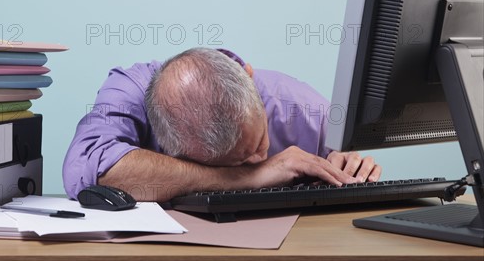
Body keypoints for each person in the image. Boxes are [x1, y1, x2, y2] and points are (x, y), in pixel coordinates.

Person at [63, 48, 381, 202]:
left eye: (259, 144)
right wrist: (252, 177)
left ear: (250, 78)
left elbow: (352, 180)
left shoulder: (306, 110)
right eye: (238, 161)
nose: (258, 159)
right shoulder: (129, 92)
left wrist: (355, 170)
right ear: (172, 143)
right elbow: (88, 173)